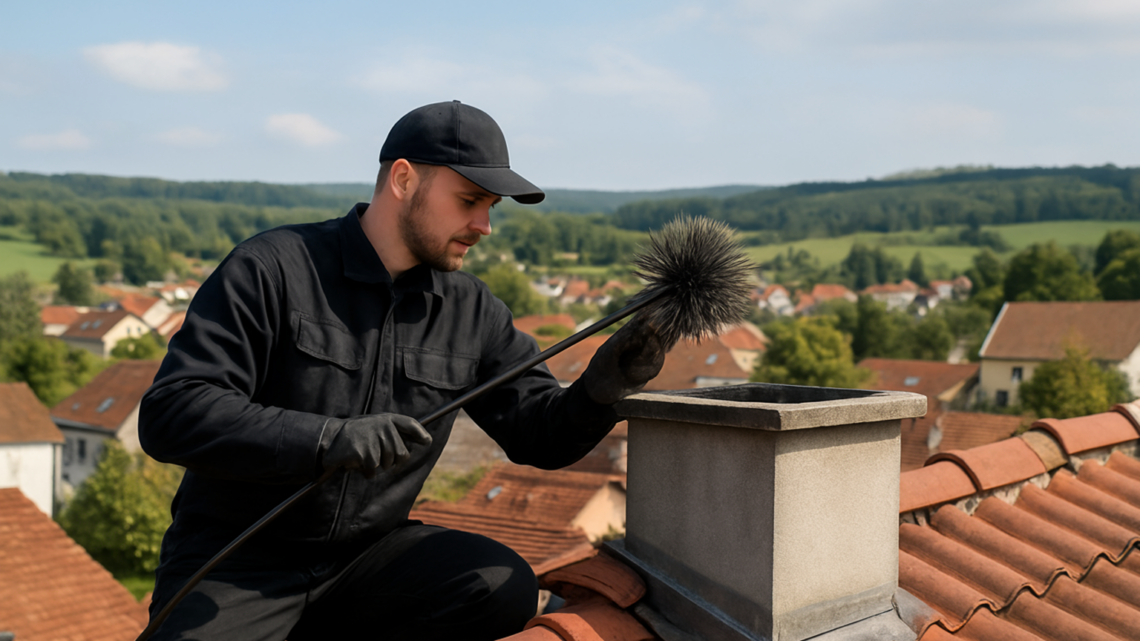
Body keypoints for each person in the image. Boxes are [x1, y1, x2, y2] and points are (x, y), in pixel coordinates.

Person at [138, 101, 669, 641]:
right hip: (238, 561)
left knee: (499, 584)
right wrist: (324, 439)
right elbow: (173, 412)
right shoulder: (271, 268)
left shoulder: (474, 312)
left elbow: (539, 435)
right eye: (469, 201)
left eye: (491, 207)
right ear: (403, 179)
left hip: (369, 563)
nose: (484, 226)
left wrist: (598, 392)